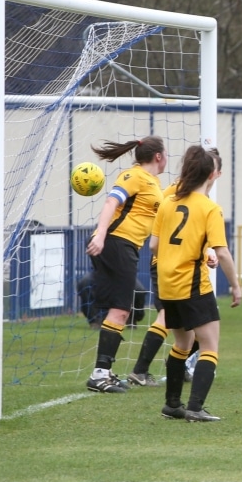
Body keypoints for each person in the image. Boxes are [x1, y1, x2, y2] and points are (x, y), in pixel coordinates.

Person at [152, 146, 242, 422]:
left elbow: (154, 245)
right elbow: (222, 251)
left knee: (182, 343)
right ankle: (195, 407)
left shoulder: (168, 202)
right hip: (191, 284)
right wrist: (236, 286)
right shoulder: (209, 208)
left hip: (167, 285)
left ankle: (172, 405)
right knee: (209, 345)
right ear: (213, 174)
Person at [128, 147, 223, 386]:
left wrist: (206, 252)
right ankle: (141, 370)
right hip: (169, 265)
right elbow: (165, 230)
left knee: (198, 325)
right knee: (171, 318)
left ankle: (180, 370)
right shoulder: (178, 191)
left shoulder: (202, 199)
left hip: (182, 266)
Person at [84, 136, 168, 393]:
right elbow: (112, 201)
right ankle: (99, 374)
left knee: (120, 309)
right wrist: (100, 234)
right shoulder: (134, 176)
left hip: (125, 247)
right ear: (158, 156)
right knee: (121, 310)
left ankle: (104, 372)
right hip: (116, 243)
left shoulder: (153, 182)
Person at [77, 272, 146, 330]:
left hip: (123, 272)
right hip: (101, 271)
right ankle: (95, 321)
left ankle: (132, 318)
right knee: (85, 283)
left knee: (139, 290)